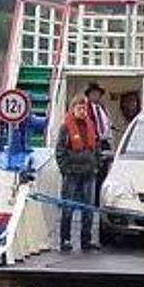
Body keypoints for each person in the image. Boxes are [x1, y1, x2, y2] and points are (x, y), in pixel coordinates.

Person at [55, 94, 99, 252]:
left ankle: (86, 240)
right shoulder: (65, 127)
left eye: (84, 108)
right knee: (68, 207)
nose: (82, 111)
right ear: (73, 109)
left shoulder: (90, 125)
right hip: (72, 172)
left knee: (88, 208)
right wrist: (65, 169)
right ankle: (65, 239)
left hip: (89, 172)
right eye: (79, 108)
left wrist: (96, 165)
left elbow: (96, 147)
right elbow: (59, 151)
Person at [85, 82, 112, 204]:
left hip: (104, 142)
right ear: (89, 95)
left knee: (103, 174)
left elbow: (105, 124)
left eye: (98, 94)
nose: (96, 96)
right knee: (93, 174)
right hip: (94, 143)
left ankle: (98, 200)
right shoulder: (86, 108)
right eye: (94, 93)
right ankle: (91, 200)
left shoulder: (101, 108)